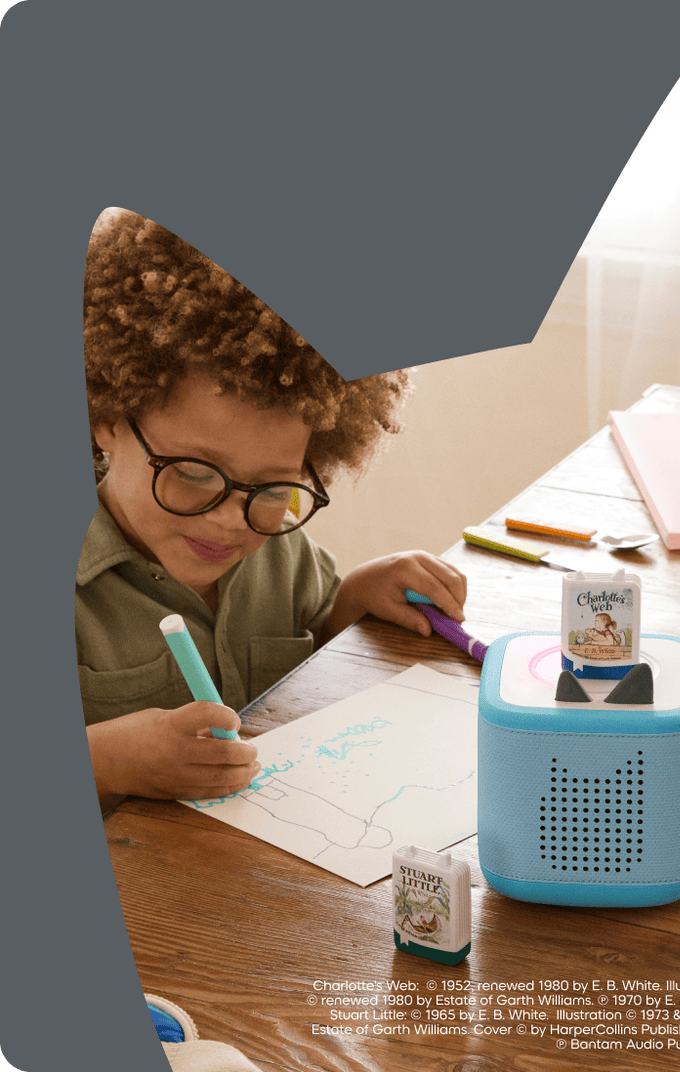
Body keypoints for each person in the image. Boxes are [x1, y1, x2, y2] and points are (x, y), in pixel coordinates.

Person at [79, 209, 466, 811]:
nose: (232, 518)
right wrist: (107, 761)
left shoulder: (284, 553)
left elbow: (313, 654)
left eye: (271, 487)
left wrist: (357, 597)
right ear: (107, 417)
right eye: (194, 474)